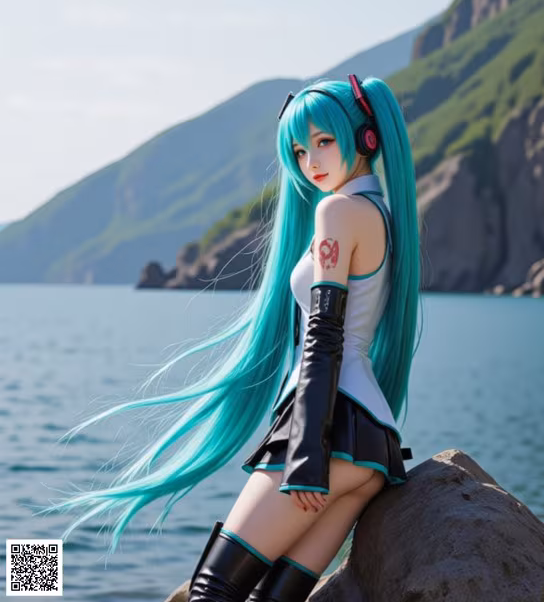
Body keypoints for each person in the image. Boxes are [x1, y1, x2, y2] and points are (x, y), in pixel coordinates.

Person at [35, 74, 424, 602]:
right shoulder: (382, 213)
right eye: (300, 150)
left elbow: (324, 336)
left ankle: (29, 581)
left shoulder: (337, 212)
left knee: (211, 591)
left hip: (328, 434)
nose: (312, 161)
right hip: (372, 445)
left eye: (325, 141)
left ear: (366, 138)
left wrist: (305, 453)